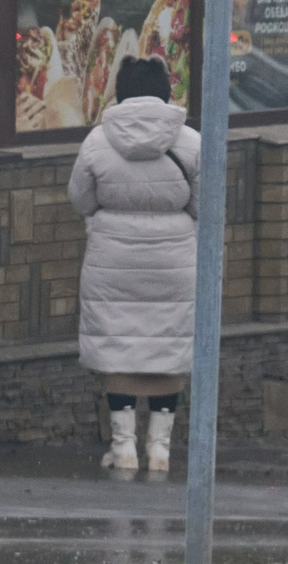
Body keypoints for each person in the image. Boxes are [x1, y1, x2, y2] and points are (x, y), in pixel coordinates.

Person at [69, 54, 200, 473]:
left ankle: (123, 446)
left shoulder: (96, 142)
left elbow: (80, 200)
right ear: (165, 90)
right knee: (167, 347)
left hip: (113, 261)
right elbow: (207, 204)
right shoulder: (192, 143)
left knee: (118, 349)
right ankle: (160, 450)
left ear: (120, 92)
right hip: (174, 261)